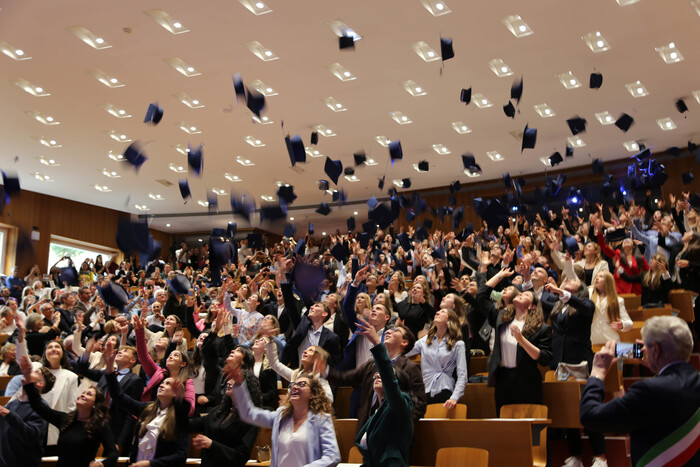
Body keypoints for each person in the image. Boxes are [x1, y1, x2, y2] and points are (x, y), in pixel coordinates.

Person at [580, 316, 700, 466]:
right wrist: (657, 364)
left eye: (649, 348)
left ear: (655, 349)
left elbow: (590, 417)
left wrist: (597, 373)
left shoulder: (648, 391)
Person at [227, 364, 341, 467]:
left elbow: (332, 456)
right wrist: (239, 384)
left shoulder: (321, 419)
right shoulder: (281, 416)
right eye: (293, 384)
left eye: (302, 384)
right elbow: (249, 414)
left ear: (312, 394)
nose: (295, 387)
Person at [103, 340, 191, 467]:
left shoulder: (180, 418)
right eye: (162, 383)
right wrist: (110, 369)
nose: (162, 385)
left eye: (168, 384)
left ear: (176, 393)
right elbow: (119, 397)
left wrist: (150, 464)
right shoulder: (148, 408)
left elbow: (181, 456)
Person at [20, 355, 118, 467]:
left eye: (89, 394)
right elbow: (38, 406)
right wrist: (28, 381)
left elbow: (113, 453)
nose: (83, 395)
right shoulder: (66, 419)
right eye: (83, 393)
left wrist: (102, 464)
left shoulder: (100, 425)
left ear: (95, 404)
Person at [477, 268, 552, 412]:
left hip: (527, 380)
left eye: (527, 295)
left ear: (532, 306)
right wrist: (499, 275)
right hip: (503, 380)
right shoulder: (501, 318)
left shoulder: (541, 328)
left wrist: (522, 340)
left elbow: (545, 358)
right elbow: (481, 296)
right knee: (505, 426)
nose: (522, 294)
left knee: (527, 428)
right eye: (521, 292)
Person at [354, 317, 414, 467]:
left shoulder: (403, 405)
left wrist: (377, 344)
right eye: (376, 373)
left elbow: (390, 383)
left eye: (384, 374)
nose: (377, 375)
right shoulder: (376, 412)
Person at [188, 374, 262, 467]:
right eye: (230, 379)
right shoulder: (219, 411)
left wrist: (211, 444)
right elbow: (187, 426)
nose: (229, 382)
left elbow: (239, 457)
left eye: (235, 379)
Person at [405, 308, 467, 408]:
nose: (437, 312)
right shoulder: (425, 340)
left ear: (449, 320)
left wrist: (454, 397)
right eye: (438, 311)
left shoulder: (458, 344)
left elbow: (462, 375)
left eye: (442, 312)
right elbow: (405, 352)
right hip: (424, 390)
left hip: (445, 390)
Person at [0, 363, 55, 467]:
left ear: (41, 383)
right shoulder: (13, 403)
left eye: (35, 372)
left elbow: (30, 437)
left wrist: (9, 415)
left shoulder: (41, 408)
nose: (29, 372)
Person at [590, 272, 633, 346]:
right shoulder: (589, 296)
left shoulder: (618, 300)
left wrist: (622, 324)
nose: (596, 278)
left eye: (601, 276)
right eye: (596, 276)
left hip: (610, 340)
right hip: (593, 341)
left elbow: (630, 323)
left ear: (608, 281)